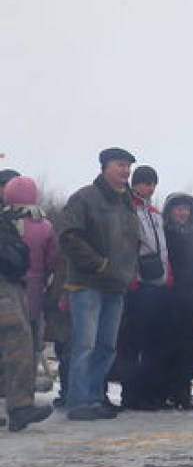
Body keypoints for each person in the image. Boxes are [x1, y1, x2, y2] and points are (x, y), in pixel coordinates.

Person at [59, 147, 142, 420]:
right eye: (120, 165)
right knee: (85, 344)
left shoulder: (127, 200)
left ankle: (95, 398)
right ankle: (78, 402)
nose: (126, 170)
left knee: (106, 345)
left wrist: (129, 270)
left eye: (128, 166)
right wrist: (99, 264)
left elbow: (131, 241)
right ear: (105, 166)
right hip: (88, 284)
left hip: (116, 285)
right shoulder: (85, 198)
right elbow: (69, 237)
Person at [117, 165, 172, 410]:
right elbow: (126, 245)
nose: (149, 188)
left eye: (153, 184)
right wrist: (130, 276)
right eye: (145, 183)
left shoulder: (155, 213)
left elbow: (162, 248)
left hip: (157, 282)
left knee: (153, 342)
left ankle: (149, 392)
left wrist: (168, 275)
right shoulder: (128, 209)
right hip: (138, 282)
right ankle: (131, 394)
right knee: (133, 342)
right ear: (135, 184)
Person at [1, 177, 53, 431]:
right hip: (15, 288)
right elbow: (50, 260)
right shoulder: (42, 225)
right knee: (18, 341)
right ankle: (20, 407)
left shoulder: (7, 220)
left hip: (15, 287)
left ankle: (19, 406)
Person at [160, 193, 193, 409]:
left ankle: (183, 395)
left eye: (186, 209)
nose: (183, 213)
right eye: (178, 209)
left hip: (191, 300)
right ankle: (164, 391)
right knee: (166, 347)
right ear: (170, 211)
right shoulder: (163, 233)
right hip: (168, 298)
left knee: (187, 348)